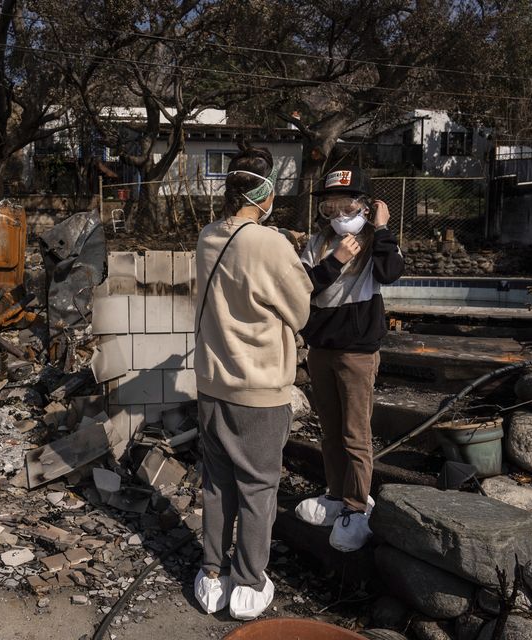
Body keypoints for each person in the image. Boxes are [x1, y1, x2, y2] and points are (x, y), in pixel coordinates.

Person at [193, 146, 313, 620]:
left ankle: (211, 575)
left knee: (217, 484)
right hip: (258, 389)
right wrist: (285, 246)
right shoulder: (270, 245)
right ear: (266, 194)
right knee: (259, 488)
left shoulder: (207, 236)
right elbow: (301, 309)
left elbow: (241, 254)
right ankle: (248, 584)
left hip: (212, 383)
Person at [294, 166, 404, 552]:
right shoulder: (317, 243)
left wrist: (384, 226)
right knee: (329, 431)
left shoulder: (377, 241)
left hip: (358, 352)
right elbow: (303, 288)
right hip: (321, 349)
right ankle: (335, 494)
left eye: (348, 206)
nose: (339, 215)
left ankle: (357, 507)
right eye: (330, 207)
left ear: (366, 205)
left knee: (356, 434)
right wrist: (336, 259)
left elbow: (392, 273)